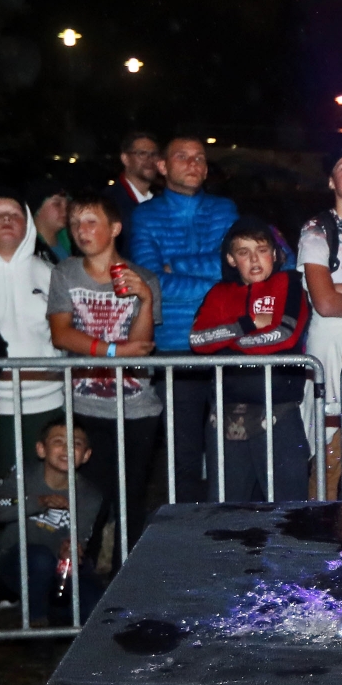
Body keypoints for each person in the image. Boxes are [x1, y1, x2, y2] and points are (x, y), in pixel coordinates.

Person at [46, 194, 161, 558]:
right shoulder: (66, 273)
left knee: (130, 499)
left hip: (136, 407)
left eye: (90, 221)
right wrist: (113, 351)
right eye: (75, 223)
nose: (81, 230)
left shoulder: (144, 278)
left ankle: (126, 577)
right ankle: (82, 578)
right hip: (85, 406)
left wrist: (145, 299)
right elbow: (61, 334)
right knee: (88, 499)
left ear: (114, 228)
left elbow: (142, 346)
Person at [129, 136, 239, 502]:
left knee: (231, 449)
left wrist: (175, 264)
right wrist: (217, 282)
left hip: (226, 341)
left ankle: (227, 529)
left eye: (200, 158)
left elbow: (234, 269)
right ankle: (186, 532)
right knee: (183, 454)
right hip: (174, 346)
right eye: (182, 157)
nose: (193, 164)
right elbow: (152, 283)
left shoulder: (224, 210)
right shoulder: (144, 216)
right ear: (162, 166)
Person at [190, 218, 312, 501]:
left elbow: (284, 335)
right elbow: (198, 340)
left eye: (262, 249)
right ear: (232, 260)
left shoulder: (290, 283)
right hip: (225, 417)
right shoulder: (219, 293)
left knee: (288, 511)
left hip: (278, 413)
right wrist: (247, 324)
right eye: (244, 252)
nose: (255, 259)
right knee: (226, 512)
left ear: (275, 254)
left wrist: (226, 348)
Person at [0, 191, 64, 510]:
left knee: (45, 500)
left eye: (14, 213)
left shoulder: (52, 272)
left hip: (49, 405)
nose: (6, 219)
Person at [298, 150, 342, 500]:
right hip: (329, 348)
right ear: (331, 181)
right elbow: (324, 303)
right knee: (329, 451)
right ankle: (320, 525)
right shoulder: (317, 229)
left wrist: (341, 287)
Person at [0, 418, 105, 626]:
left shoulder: (90, 495)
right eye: (58, 441)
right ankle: (36, 624)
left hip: (58, 568)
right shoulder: (23, 476)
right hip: (18, 560)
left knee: (95, 604)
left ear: (86, 455)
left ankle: (53, 615)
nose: (67, 449)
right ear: (41, 449)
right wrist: (38, 502)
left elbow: (81, 535)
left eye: (76, 444)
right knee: (40, 559)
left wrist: (72, 547)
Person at [109, 131, 160, 243]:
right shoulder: (109, 203)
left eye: (154, 154)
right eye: (142, 154)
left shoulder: (162, 200)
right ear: (125, 159)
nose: (150, 159)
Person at [25, 180, 73, 264]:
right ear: (37, 208)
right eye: (57, 204)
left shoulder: (74, 241)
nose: (65, 210)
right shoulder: (28, 251)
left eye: (68, 205)